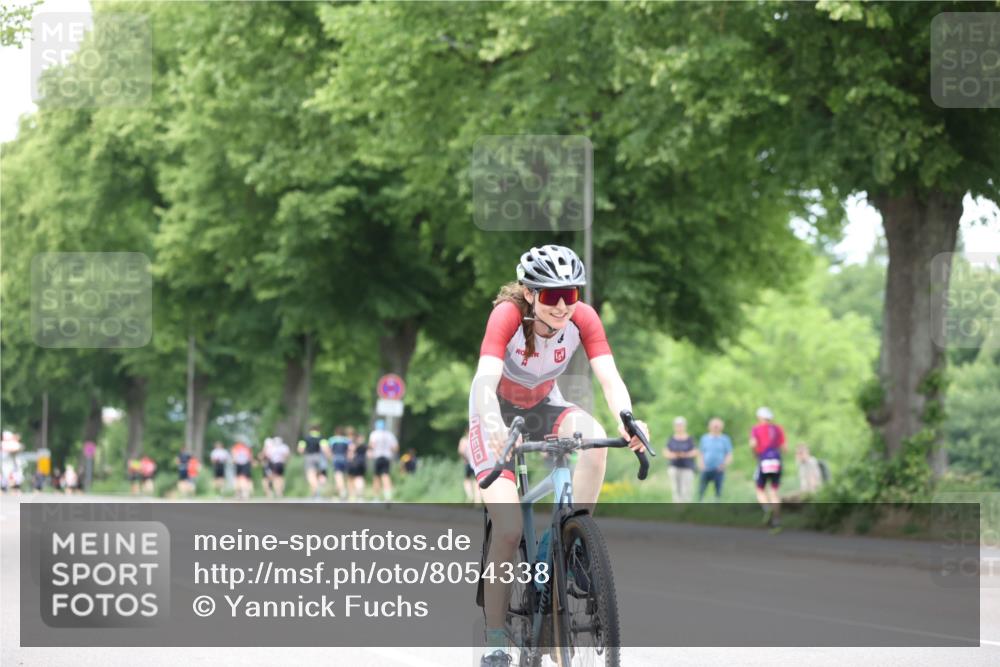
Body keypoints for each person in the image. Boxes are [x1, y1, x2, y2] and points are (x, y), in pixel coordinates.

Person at [466, 245, 649, 666]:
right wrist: (494, 427)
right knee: (508, 529)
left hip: (546, 406)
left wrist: (628, 419)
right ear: (530, 294)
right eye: (552, 295)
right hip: (495, 413)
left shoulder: (582, 317)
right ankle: (496, 640)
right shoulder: (507, 315)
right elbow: (484, 380)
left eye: (571, 293)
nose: (563, 305)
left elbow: (609, 377)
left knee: (595, 441)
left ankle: (568, 544)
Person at [750, 406, 787, 530]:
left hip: (764, 459)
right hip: (776, 460)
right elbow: (784, 448)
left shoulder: (756, 429)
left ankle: (767, 508)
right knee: (774, 492)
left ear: (760, 417)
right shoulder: (778, 429)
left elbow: (753, 444)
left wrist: (755, 454)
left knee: (759, 489)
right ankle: (777, 521)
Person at [697, 417, 733, 501]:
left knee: (718, 491)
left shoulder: (725, 439)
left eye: (717, 426)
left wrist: (724, 465)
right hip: (706, 468)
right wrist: (701, 464)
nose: (715, 428)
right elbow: (701, 453)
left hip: (719, 469)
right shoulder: (704, 438)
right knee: (701, 490)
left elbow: (729, 454)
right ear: (709, 427)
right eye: (714, 426)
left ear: (721, 427)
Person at [665, 416, 697, 503]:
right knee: (676, 490)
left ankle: (686, 508)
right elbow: (666, 452)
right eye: (677, 425)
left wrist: (685, 454)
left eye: (681, 425)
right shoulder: (671, 439)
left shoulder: (690, 439)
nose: (679, 427)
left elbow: (695, 452)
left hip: (687, 467)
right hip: (674, 467)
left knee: (686, 490)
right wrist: (675, 455)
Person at [368, 419, 399, 501]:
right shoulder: (390, 435)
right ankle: (388, 497)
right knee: (386, 476)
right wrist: (390, 451)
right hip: (386, 457)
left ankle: (376, 498)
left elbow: (371, 445)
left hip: (377, 457)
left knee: (376, 477)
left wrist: (371, 452)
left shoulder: (374, 434)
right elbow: (395, 447)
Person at [297, 425, 330, 500]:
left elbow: (300, 450)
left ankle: (316, 491)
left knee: (311, 475)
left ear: (310, 430)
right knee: (320, 474)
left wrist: (304, 453)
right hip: (319, 457)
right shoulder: (322, 438)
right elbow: (325, 449)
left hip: (309, 457)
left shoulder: (305, 438)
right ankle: (317, 490)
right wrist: (328, 457)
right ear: (318, 430)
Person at [458, 429, 482, 505]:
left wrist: (465, 459)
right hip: (476, 463)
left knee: (467, 479)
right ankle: (478, 499)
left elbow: (461, 451)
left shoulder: (464, 440)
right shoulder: (477, 439)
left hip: (467, 463)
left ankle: (470, 495)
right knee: (477, 481)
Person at [328, 426, 353, 500]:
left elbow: (329, 450)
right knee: (345, 476)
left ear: (335, 433)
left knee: (338, 476)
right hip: (344, 458)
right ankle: (342, 493)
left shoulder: (332, 440)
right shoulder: (347, 440)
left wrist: (330, 458)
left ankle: (342, 491)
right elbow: (350, 450)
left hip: (336, 458)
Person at [346, 431, 368, 501]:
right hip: (363, 463)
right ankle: (360, 495)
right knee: (360, 478)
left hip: (354, 463)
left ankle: (352, 495)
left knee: (351, 479)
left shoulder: (353, 445)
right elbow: (369, 455)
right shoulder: (365, 446)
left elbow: (350, 455)